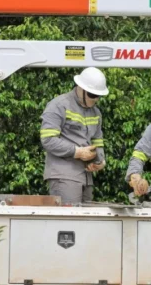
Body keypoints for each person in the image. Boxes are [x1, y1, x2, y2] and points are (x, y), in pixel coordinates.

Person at [40, 67, 109, 204]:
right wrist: (77, 152)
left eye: (98, 96)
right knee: (69, 222)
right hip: (64, 175)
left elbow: (97, 141)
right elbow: (48, 139)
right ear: (80, 88)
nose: (95, 99)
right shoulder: (59, 105)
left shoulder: (96, 112)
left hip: (86, 176)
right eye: (92, 95)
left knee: (86, 222)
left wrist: (100, 162)